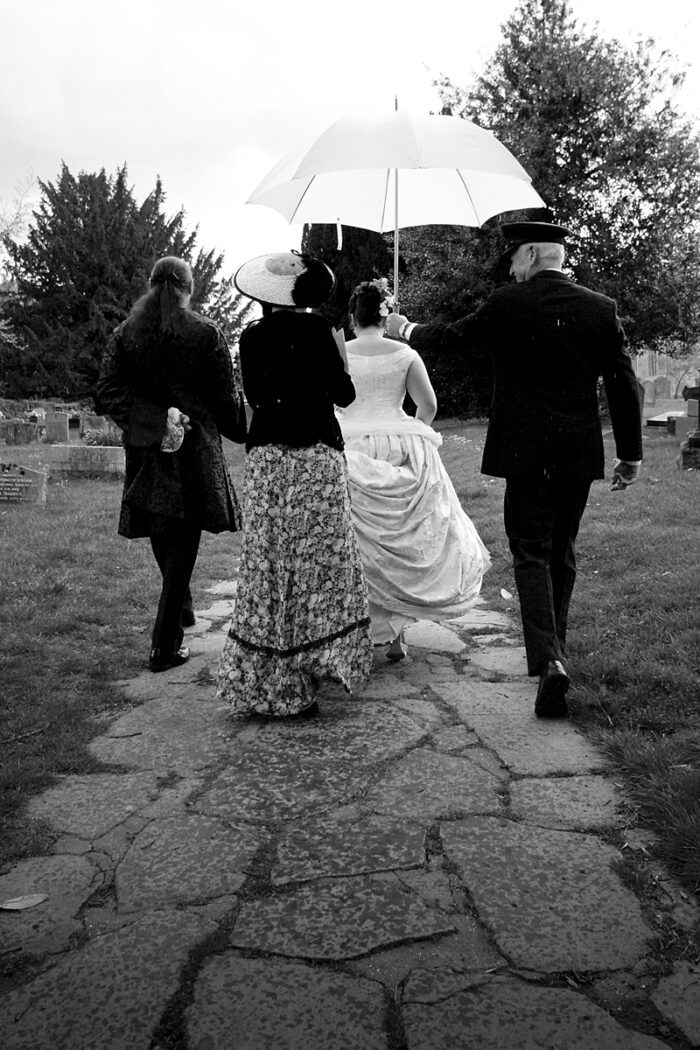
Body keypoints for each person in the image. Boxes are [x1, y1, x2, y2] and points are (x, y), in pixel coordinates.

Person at [386, 221, 643, 717]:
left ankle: (549, 660)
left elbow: (454, 337)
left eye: (512, 259)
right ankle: (556, 655)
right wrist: (630, 453)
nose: (510, 268)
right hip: (576, 453)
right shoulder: (600, 309)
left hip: (524, 453)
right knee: (561, 551)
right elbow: (623, 383)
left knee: (529, 551)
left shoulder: (507, 303)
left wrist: (407, 330)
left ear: (529, 255)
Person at [216, 251, 372, 718]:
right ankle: (316, 659)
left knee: (270, 561)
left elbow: (258, 398)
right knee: (320, 560)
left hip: (266, 459)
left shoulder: (250, 337)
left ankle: (272, 674)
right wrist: (338, 360)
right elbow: (344, 395)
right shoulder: (318, 331)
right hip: (314, 456)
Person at [95, 255, 246, 672]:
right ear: (188, 287)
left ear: (150, 285)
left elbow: (107, 391)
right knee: (180, 540)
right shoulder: (206, 334)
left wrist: (147, 418)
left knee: (167, 531)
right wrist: (242, 430)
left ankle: (182, 608)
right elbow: (226, 400)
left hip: (146, 451)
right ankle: (164, 646)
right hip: (193, 453)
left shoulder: (126, 335)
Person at [339, 279, 490, 661]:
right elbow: (429, 406)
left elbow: (336, 401)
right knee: (401, 542)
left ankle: (362, 628)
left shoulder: (342, 353)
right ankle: (395, 638)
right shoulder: (406, 354)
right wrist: (414, 432)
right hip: (399, 444)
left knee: (361, 543)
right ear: (384, 315)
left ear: (353, 318)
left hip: (351, 443)